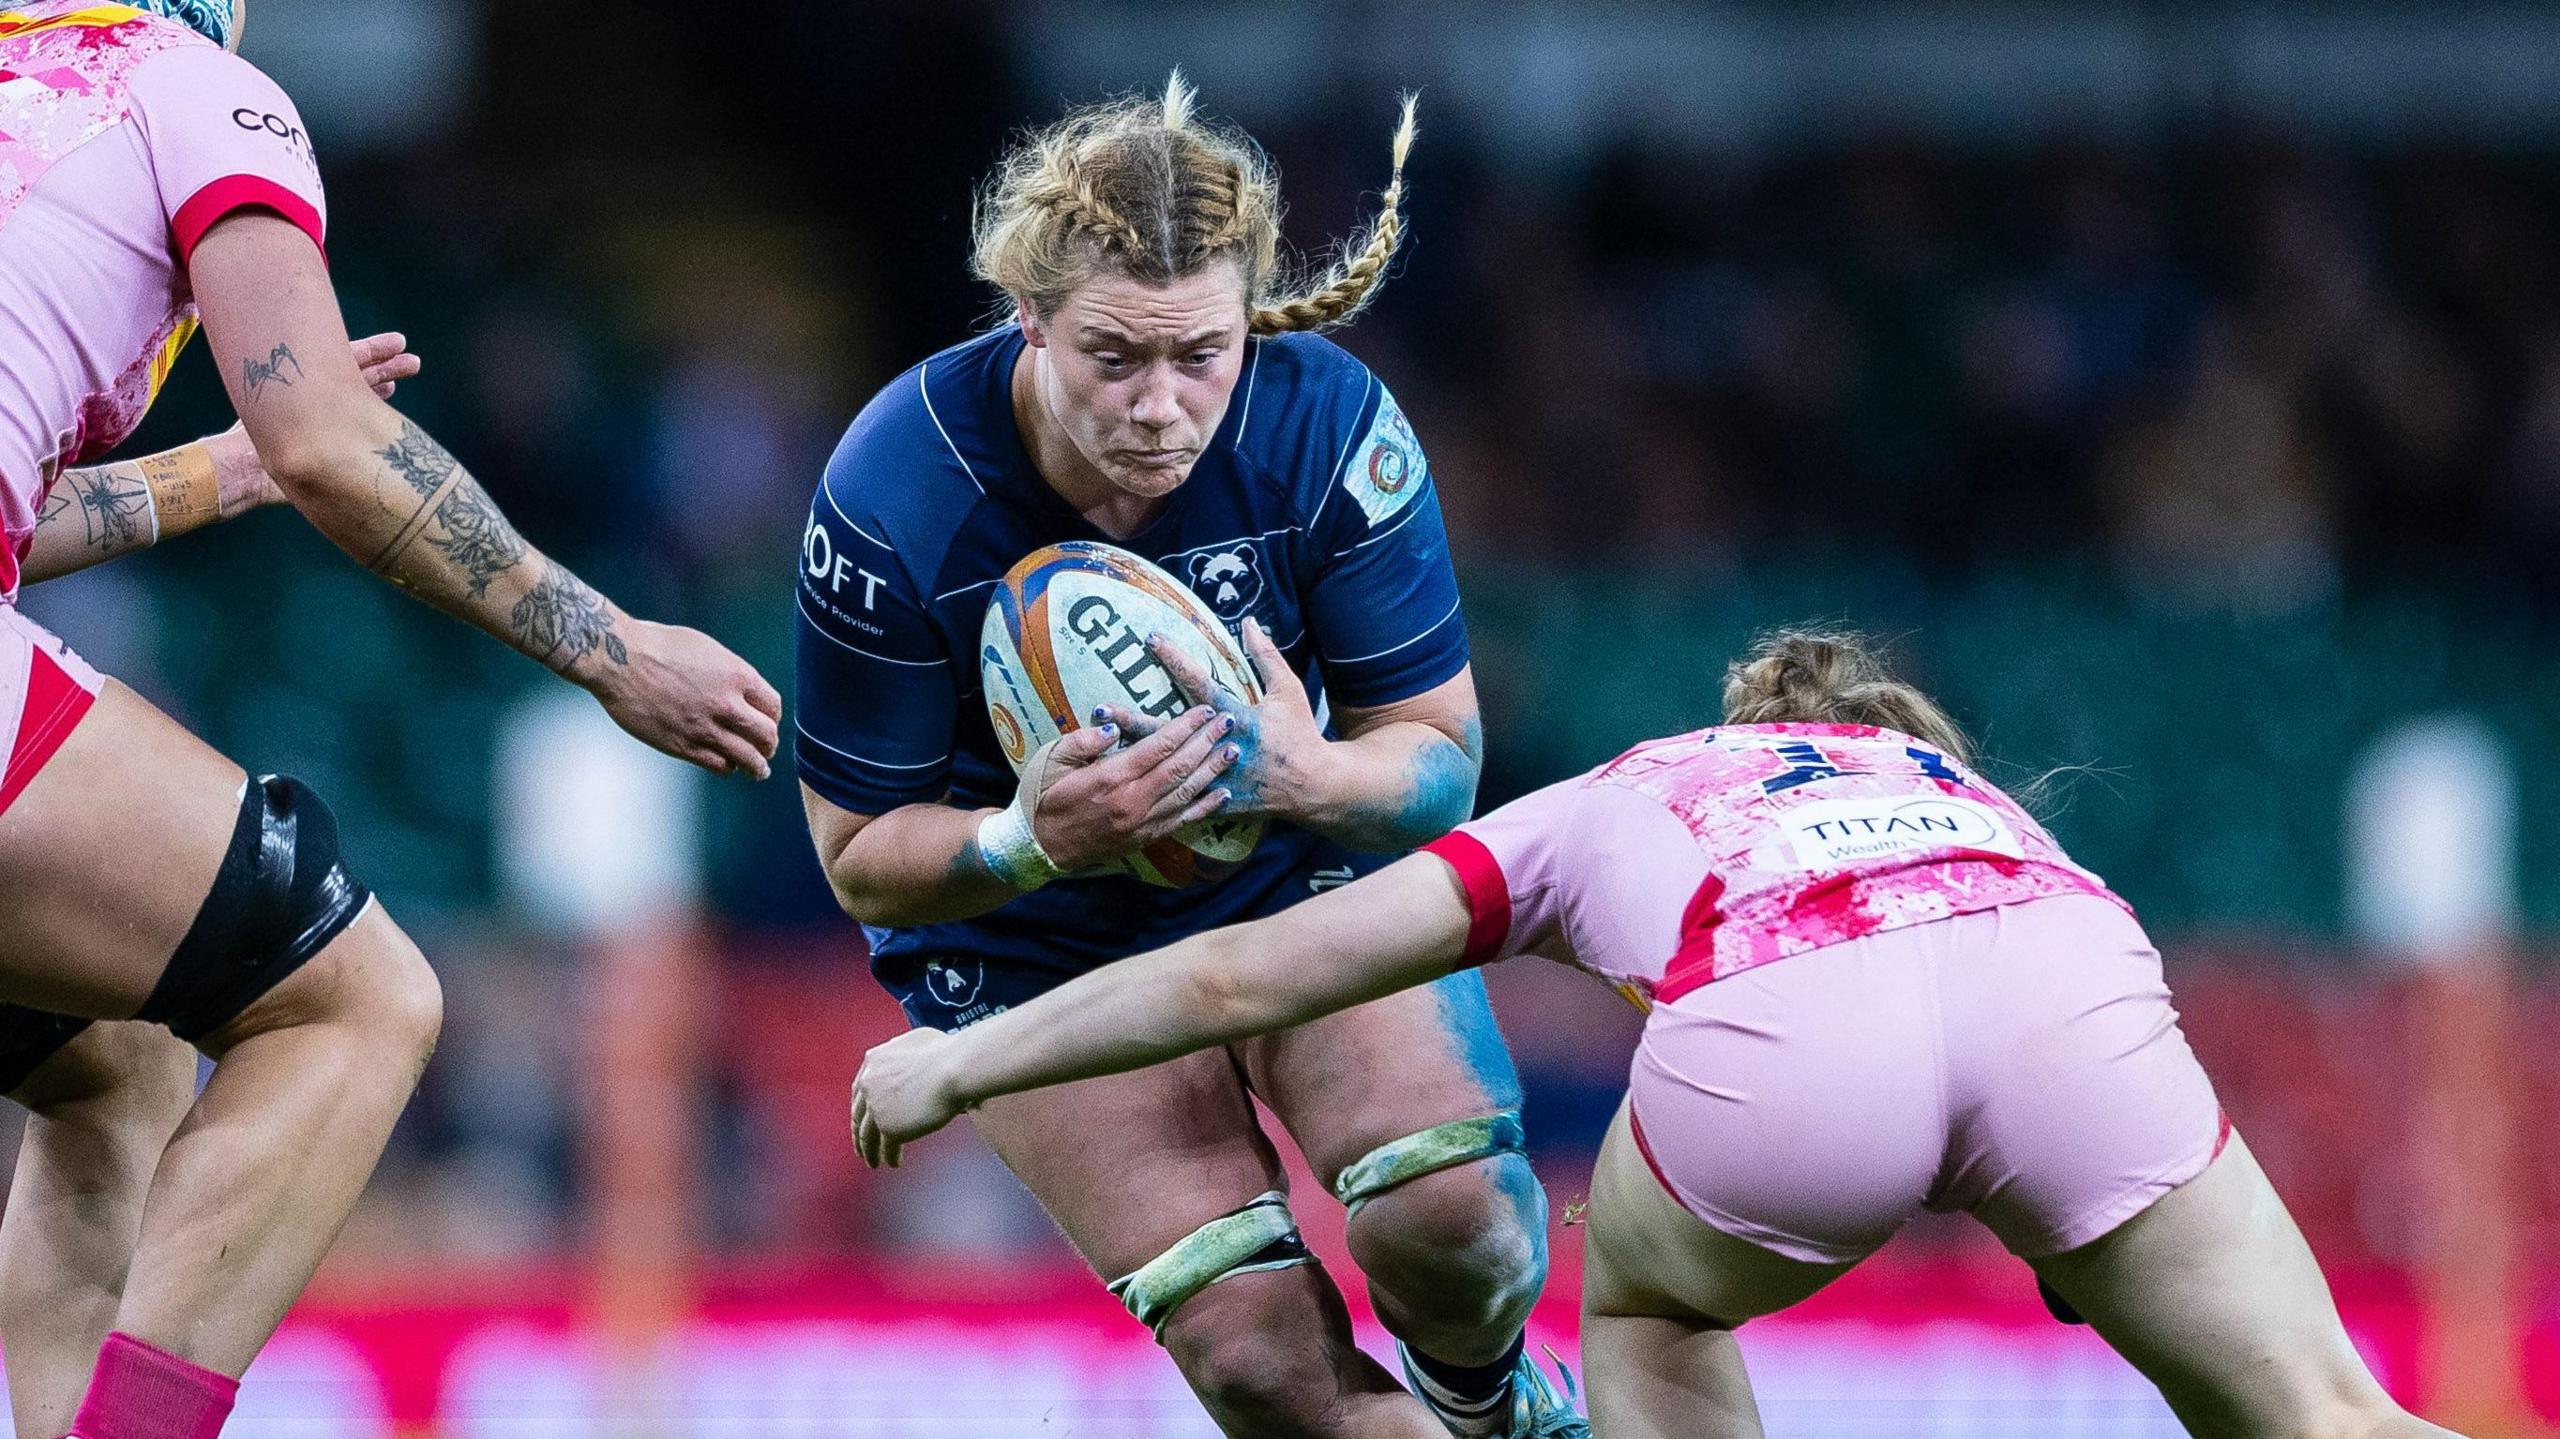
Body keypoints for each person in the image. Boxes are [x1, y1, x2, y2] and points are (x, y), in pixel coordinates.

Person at [853, 631, 2469, 1439]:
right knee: (2322, 1416)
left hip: (1787, 1027)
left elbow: (1237, 981)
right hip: (2061, 978)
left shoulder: (1627, 788)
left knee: (1646, 1316)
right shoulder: (1967, 800)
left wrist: (960, 1057)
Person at [0, 3, 782, 1437]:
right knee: (363, 999)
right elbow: (336, 445)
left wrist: (219, 479)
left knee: (111, 1065)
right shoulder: (193, 92)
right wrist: (613, 649)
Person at [797, 74, 1584, 1439]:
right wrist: (1024, 839)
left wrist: (1309, 776)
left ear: (1252, 319)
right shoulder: (892, 496)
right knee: (1257, 1368)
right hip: (1031, 937)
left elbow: (1442, 761)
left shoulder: (1328, 428)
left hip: (1289, 870)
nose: (1164, 405)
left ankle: (1493, 1405)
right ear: (1028, 317)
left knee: (1458, 1228)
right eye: (1116, 357)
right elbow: (860, 858)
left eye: (1202, 353)